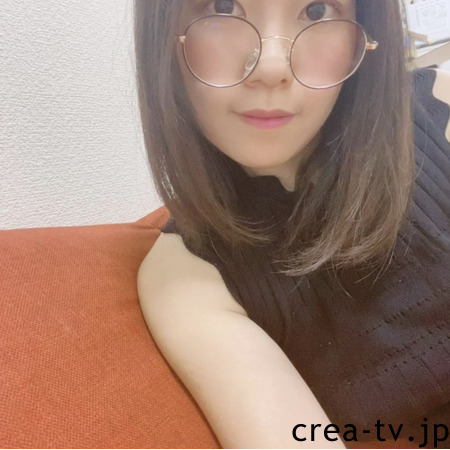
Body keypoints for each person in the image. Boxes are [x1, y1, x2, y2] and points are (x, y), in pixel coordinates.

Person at [135, 0, 450, 448]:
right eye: (224, 7)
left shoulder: (440, 106)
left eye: (317, 10)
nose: (271, 67)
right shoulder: (187, 279)